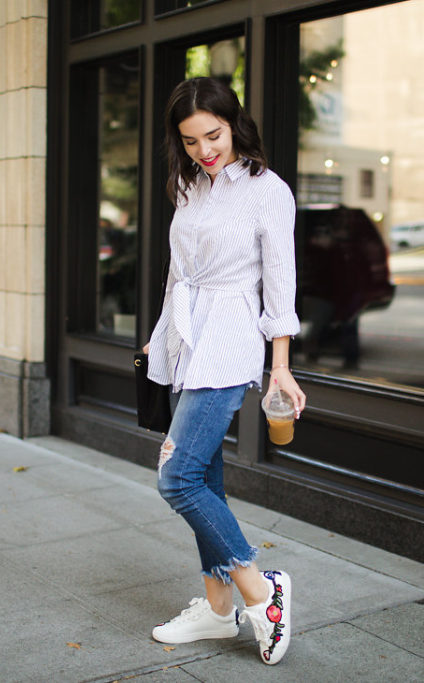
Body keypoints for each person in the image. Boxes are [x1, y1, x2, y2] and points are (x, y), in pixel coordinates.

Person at [142, 77, 306, 665]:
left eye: (212, 135)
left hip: (231, 343)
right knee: (203, 481)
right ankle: (216, 610)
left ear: (235, 124)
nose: (204, 150)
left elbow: (280, 287)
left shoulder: (268, 191)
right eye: (189, 142)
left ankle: (261, 593)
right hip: (189, 342)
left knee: (176, 478)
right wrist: (162, 344)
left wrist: (280, 367)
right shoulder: (189, 187)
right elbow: (174, 274)